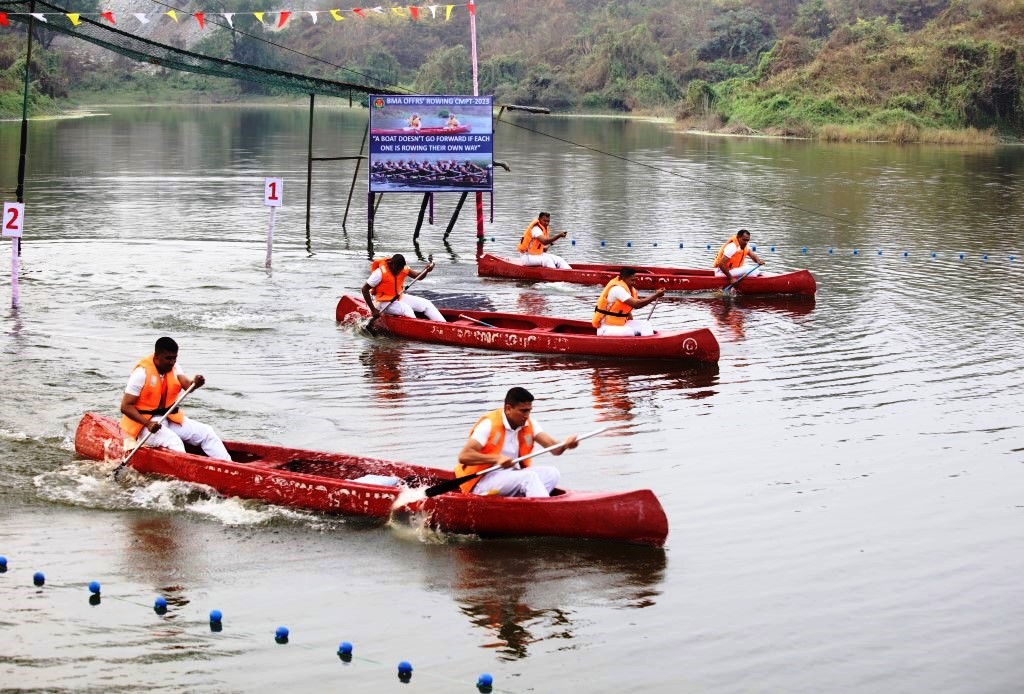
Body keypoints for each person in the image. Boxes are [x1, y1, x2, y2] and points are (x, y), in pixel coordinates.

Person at [120, 337, 231, 460]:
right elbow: (125, 406)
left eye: (174, 358)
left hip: (168, 418)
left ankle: (229, 466)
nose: (172, 362)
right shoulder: (141, 373)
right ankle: (186, 470)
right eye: (168, 358)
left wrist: (195, 384)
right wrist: (148, 424)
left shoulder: (174, 367)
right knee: (175, 442)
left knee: (207, 432)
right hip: (144, 425)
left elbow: (187, 386)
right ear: (156, 356)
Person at [455, 387, 579, 497]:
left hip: (509, 476)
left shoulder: (529, 424)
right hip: (481, 481)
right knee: (529, 477)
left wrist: (566, 445)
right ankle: (542, 508)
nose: (527, 415)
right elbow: (464, 456)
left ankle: (530, 504)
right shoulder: (489, 424)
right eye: (523, 411)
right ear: (508, 409)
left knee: (552, 473)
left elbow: (555, 449)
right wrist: (496, 459)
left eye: (529, 410)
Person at [361, 253, 446, 322]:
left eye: (400, 269)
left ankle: (445, 326)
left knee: (427, 304)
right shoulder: (379, 273)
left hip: (398, 297)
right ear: (391, 263)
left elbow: (418, 276)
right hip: (383, 303)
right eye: (396, 269)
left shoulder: (403, 268)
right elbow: (365, 289)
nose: (398, 271)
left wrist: (426, 271)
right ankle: (418, 329)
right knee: (406, 309)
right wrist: (373, 310)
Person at [592, 268, 665, 336]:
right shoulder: (617, 289)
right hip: (605, 328)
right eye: (632, 280)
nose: (634, 283)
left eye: (635, 280)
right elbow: (637, 305)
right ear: (624, 278)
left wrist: (633, 322)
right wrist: (656, 295)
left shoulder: (629, 289)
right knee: (628, 331)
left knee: (646, 324)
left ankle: (647, 343)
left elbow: (626, 310)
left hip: (619, 325)